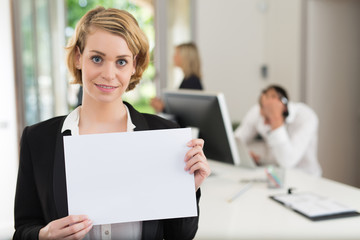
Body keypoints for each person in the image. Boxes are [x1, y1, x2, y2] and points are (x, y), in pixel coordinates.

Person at [13, 7, 211, 240]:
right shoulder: (38, 140)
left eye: (121, 61)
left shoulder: (164, 136)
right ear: (78, 57)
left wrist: (186, 191)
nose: (109, 74)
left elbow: (181, 236)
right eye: (97, 58)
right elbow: (23, 228)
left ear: (134, 65)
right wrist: (43, 235)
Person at [234, 84, 322, 176]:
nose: (264, 123)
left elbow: (287, 161)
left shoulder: (306, 117)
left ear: (283, 107)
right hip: (274, 175)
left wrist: (275, 119)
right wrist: (245, 155)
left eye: (267, 119)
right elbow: (235, 141)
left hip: (305, 177)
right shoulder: (259, 111)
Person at [150, 42, 203, 113]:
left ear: (185, 57)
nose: (173, 56)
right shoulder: (188, 80)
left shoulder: (192, 82)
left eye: (176, 54)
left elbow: (186, 113)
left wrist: (163, 107)